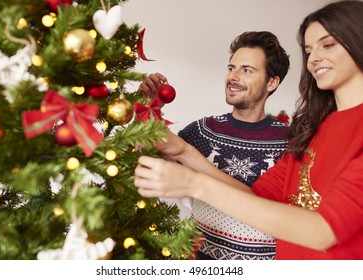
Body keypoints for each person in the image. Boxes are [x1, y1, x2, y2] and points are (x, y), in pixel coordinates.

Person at [134, 0, 363, 260]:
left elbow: (323, 231)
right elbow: (256, 196)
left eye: (328, 44)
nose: (314, 59)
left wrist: (195, 184)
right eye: (309, 51)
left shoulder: (291, 135)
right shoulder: (310, 131)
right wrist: (183, 150)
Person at [138, 31, 290, 260]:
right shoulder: (201, 130)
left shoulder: (289, 142)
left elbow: (278, 212)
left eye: (246, 70)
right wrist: (144, 110)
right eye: (231, 68)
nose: (233, 77)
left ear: (272, 81)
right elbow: (146, 163)